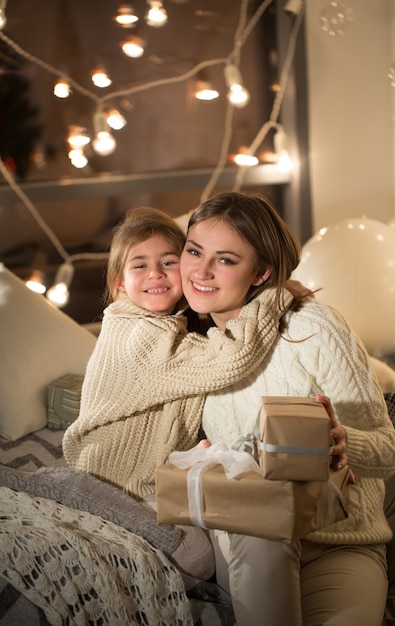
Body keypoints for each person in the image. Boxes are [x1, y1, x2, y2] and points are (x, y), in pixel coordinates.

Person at [177, 191, 395, 626]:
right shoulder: (197, 351)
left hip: (338, 546)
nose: (200, 272)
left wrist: (344, 443)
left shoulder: (312, 328)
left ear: (260, 272)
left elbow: (389, 451)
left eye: (225, 260)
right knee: (254, 517)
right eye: (193, 251)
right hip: (250, 540)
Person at [62, 204, 294, 578]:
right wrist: (274, 297)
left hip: (141, 485)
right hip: (115, 487)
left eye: (168, 262)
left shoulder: (164, 327)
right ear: (120, 281)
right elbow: (229, 359)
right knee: (200, 557)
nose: (155, 273)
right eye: (139, 265)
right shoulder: (138, 336)